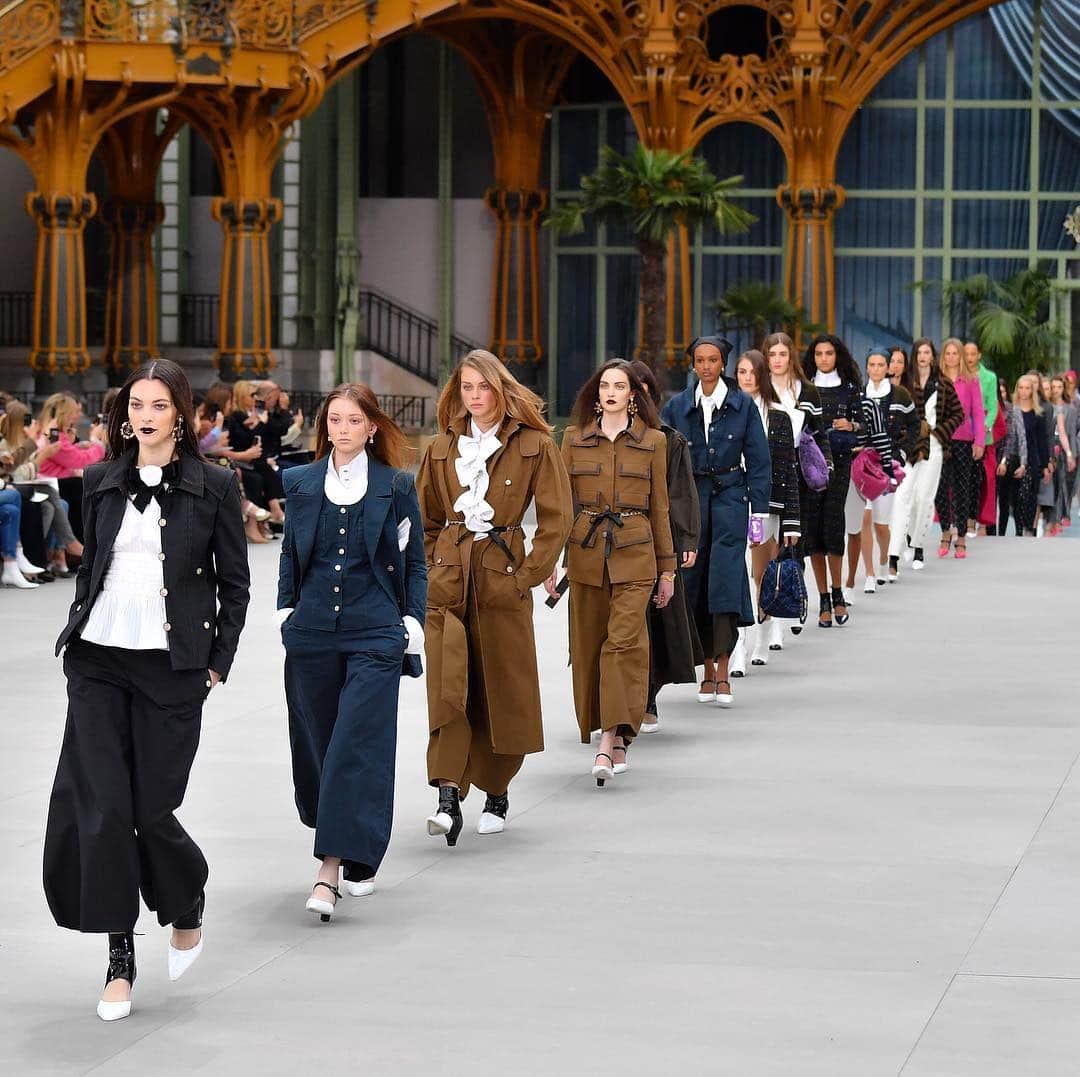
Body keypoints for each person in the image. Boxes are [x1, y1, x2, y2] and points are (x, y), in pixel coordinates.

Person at [44, 358, 250, 1021]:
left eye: (159, 405)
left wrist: (217, 660)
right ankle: (119, 957)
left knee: (153, 809)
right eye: (136, 404)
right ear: (124, 412)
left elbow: (234, 584)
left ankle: (185, 898)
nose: (145, 415)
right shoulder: (99, 477)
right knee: (104, 808)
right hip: (99, 661)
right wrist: (77, 634)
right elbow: (93, 568)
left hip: (174, 667)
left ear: (180, 415)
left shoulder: (215, 485)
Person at [277, 384, 426, 920]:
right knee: (318, 748)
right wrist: (284, 611)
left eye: (352, 419)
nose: (342, 428)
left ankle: (328, 870)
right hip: (312, 631)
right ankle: (356, 845)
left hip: (376, 632)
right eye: (334, 419)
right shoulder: (299, 483)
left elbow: (414, 564)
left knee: (354, 744)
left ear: (371, 427)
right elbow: (292, 552)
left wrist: (411, 620)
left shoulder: (396, 486)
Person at [420, 351, 571, 836]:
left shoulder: (534, 445)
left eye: (484, 387)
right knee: (447, 685)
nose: (476, 397)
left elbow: (556, 518)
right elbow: (422, 519)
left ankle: (497, 790)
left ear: (501, 390)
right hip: (448, 577)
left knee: (501, 686)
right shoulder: (442, 447)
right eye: (467, 388)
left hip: (501, 575)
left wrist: (526, 576)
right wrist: (428, 570)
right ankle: (447, 794)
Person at [559, 359, 674, 784]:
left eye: (619, 385)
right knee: (590, 646)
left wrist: (668, 571)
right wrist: (557, 561)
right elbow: (559, 508)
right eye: (604, 385)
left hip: (636, 555)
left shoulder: (655, 442)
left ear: (633, 395)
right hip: (586, 557)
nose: (610, 391)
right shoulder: (572, 439)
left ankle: (611, 738)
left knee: (622, 645)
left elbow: (660, 508)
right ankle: (613, 729)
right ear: (596, 394)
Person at [662, 336, 770, 706]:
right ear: (692, 364)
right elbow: (665, 464)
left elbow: (758, 462)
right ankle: (704, 668)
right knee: (693, 582)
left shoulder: (742, 406)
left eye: (713, 360)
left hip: (731, 500)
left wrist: (759, 514)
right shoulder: (677, 407)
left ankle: (723, 669)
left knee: (725, 581)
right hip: (690, 505)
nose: (706, 366)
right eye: (700, 360)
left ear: (723, 363)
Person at [629, 360, 701, 730]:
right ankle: (614, 703)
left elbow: (681, 492)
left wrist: (686, 538)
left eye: (643, 389)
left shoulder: (669, 440)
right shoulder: (593, 439)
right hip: (608, 544)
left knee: (655, 619)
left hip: (657, 539)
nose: (635, 397)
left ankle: (647, 696)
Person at [765, 332, 833, 640]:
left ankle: (794, 597)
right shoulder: (760, 389)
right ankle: (771, 611)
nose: (777, 360)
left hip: (800, 472)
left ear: (791, 357)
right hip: (767, 470)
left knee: (795, 541)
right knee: (768, 543)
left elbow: (819, 433)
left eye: (782, 354)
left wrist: (826, 467)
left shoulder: (807, 391)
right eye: (772, 354)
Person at [733, 349, 800, 662]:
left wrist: (792, 521)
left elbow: (788, 470)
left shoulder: (778, 416)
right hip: (732, 502)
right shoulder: (726, 411)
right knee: (736, 574)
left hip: (767, 505)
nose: (747, 378)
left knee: (760, 574)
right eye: (741, 372)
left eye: (752, 372)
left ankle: (762, 635)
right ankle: (737, 647)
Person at [802, 334, 862, 626]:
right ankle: (823, 597)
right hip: (810, 466)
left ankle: (838, 593)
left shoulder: (850, 388)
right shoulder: (804, 387)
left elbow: (865, 425)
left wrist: (851, 424)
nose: (823, 358)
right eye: (818, 354)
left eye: (828, 353)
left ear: (837, 355)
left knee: (833, 523)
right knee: (813, 529)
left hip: (840, 461)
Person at [855, 347, 917, 591]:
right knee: (864, 518)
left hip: (887, 465)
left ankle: (884, 559)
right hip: (863, 465)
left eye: (882, 365)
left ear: (888, 367)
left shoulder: (900, 395)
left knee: (882, 524)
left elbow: (914, 425)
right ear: (867, 367)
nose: (877, 369)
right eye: (872, 364)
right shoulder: (859, 395)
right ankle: (869, 573)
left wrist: (901, 453)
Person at [0, 399, 80, 578]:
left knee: (56, 504)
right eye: (26, 421)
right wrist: (41, 452)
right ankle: (37, 555)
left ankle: (43, 557)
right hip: (16, 488)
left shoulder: (21, 443)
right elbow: (17, 473)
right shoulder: (6, 444)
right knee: (29, 501)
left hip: (24, 487)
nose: (32, 423)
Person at [934, 338, 984, 559]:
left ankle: (961, 536)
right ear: (943, 356)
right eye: (948, 353)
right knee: (940, 488)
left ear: (961, 356)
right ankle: (945, 531)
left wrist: (980, 441)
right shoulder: (937, 380)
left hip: (964, 439)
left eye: (956, 353)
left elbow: (978, 412)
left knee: (962, 489)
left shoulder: (971, 380)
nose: (952, 357)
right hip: (939, 440)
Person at [963, 340, 1000, 537]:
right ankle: (963, 520)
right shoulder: (959, 376)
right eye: (966, 353)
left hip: (982, 434)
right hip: (961, 432)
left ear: (979, 355)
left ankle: (977, 521)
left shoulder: (989, 377)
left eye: (972, 353)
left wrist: (984, 427)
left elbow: (993, 407)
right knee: (962, 477)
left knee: (980, 478)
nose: (969, 357)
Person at [1012, 374, 1047, 535]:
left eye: (1027, 388)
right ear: (1017, 389)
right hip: (1015, 457)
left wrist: (1045, 465)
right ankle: (1019, 529)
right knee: (1016, 497)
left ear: (1032, 390)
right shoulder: (1011, 411)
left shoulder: (1038, 413)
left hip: (1033, 460)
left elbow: (1042, 441)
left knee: (1029, 495)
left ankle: (1028, 528)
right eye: (1021, 387)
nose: (1024, 391)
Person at [994, 377, 1028, 536]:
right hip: (991, 455)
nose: (1001, 394)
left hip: (1010, 457)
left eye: (1002, 391)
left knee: (1010, 498)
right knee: (995, 498)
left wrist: (1022, 462)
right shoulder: (989, 409)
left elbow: (1018, 437)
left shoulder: (1012, 409)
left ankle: (1014, 532)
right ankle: (993, 531)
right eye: (998, 391)